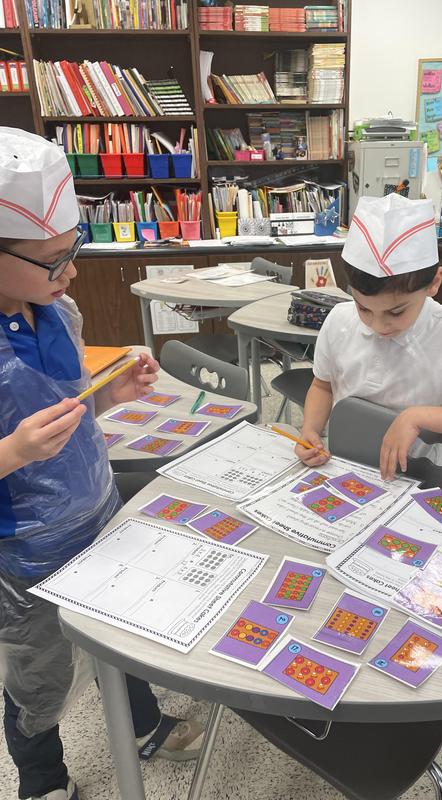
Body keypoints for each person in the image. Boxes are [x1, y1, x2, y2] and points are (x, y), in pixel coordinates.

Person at [0, 128, 203, 800]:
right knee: (38, 675)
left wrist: (110, 396)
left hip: (98, 511)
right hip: (25, 551)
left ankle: (142, 723)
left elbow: (65, 406)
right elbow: (23, 438)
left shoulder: (58, 310)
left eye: (74, 250)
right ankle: (41, 777)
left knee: (122, 633)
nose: (72, 272)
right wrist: (14, 452)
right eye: (53, 260)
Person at [296, 193, 442, 477]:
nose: (379, 325)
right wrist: (310, 430)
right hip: (343, 461)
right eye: (363, 308)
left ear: (434, 283)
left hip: (415, 474)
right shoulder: (339, 320)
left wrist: (417, 417)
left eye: (396, 312)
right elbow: (323, 386)